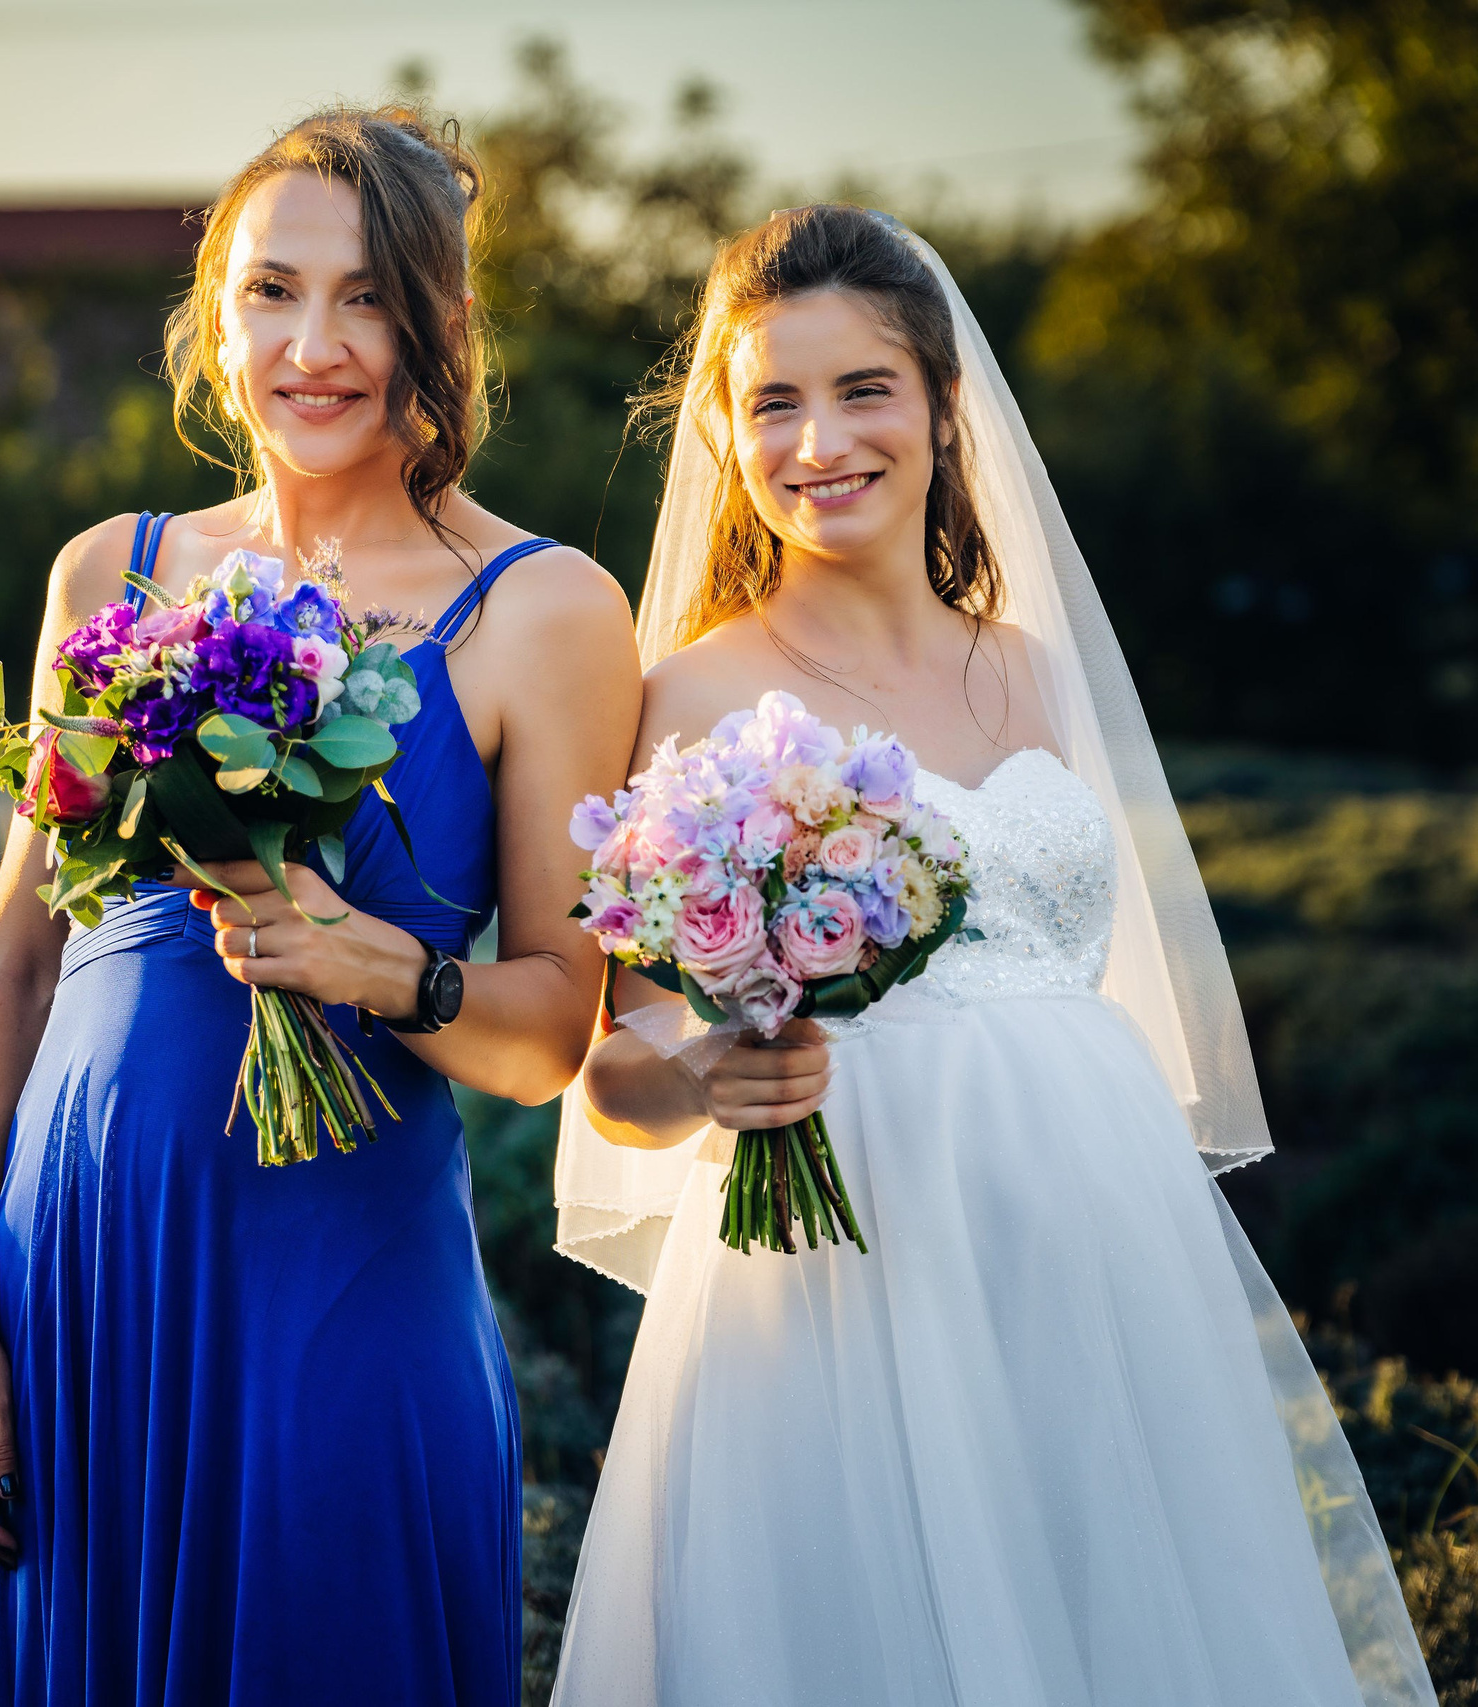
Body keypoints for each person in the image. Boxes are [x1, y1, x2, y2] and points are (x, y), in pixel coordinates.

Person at [549, 206, 1436, 1707]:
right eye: (773, 401)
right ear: (728, 433)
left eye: (863, 389)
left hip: (1091, 1250)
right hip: (837, 1279)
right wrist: (710, 1067)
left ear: (946, 410)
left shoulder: (1033, 664)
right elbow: (611, 1072)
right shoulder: (691, 688)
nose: (819, 439)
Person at [0, 107, 637, 1705]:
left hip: (343, 1279)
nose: (313, 346)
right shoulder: (112, 570)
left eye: (369, 297)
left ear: (443, 325)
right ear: (212, 316)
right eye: (271, 292)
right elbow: (19, 962)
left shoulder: (544, 610)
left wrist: (392, 970)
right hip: (83, 1267)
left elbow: (554, 1037)